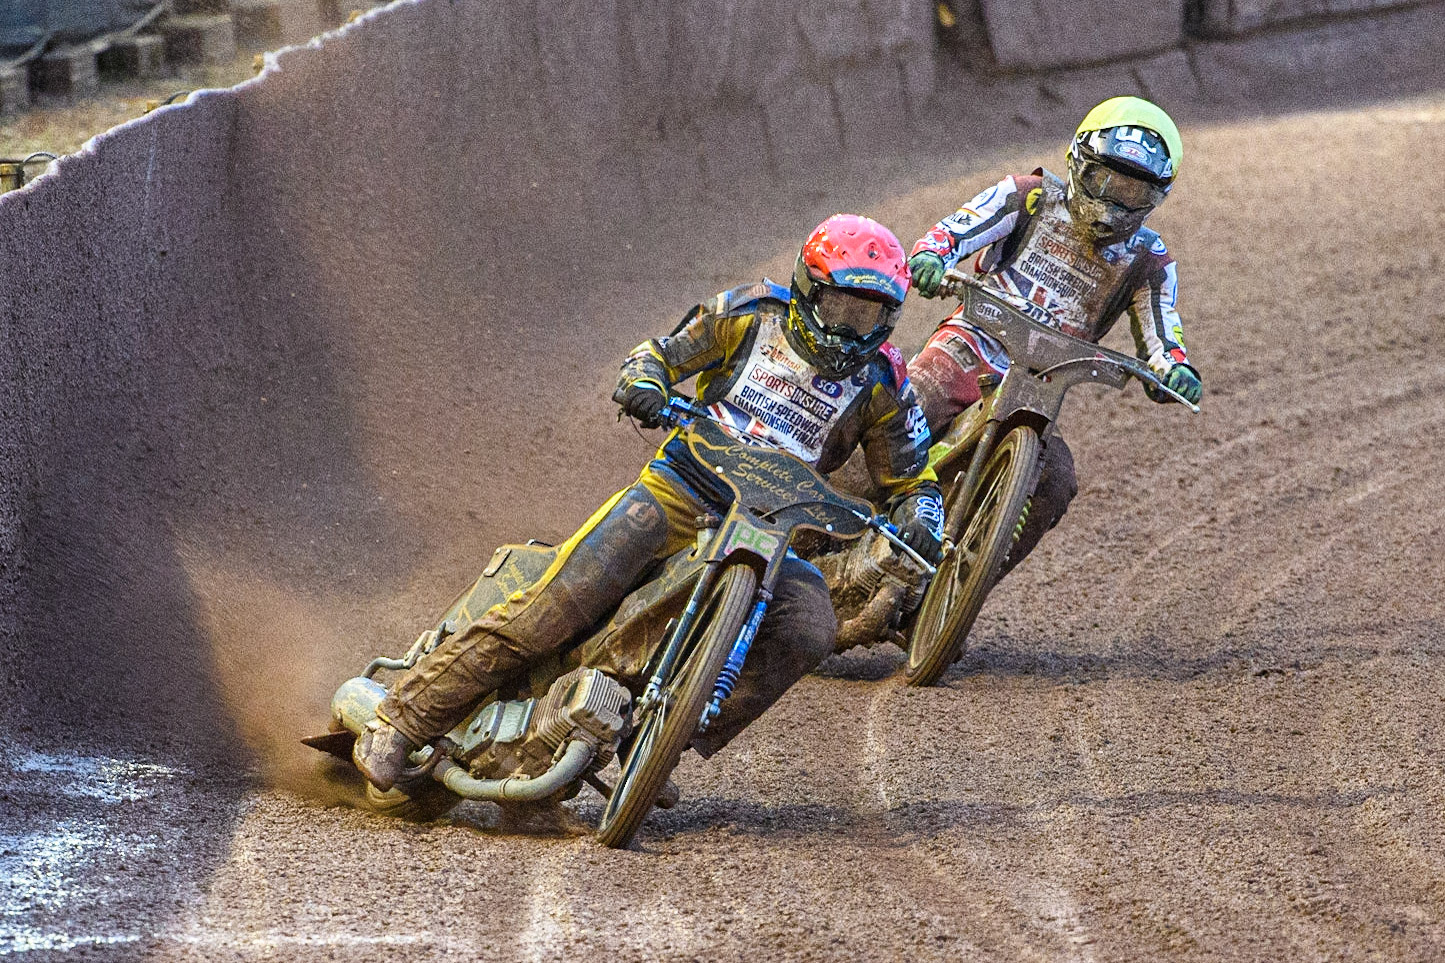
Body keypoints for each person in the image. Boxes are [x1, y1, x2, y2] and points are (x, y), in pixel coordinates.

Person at [354, 214, 944, 791]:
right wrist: (645, 383)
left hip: (773, 528)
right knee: (559, 603)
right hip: (679, 490)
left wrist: (922, 516)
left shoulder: (885, 383)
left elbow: (915, 479)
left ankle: (661, 735)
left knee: (810, 626)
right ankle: (403, 721)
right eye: (840, 308)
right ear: (807, 288)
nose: (850, 330)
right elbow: (657, 354)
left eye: (869, 316)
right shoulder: (747, 314)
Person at [904, 96, 1202, 574]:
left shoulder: (1149, 261)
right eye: (1103, 180)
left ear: (1155, 197)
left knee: (1055, 480)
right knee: (913, 402)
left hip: (1039, 386)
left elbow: (1163, 332)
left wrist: (1174, 369)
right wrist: (932, 256)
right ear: (1077, 162)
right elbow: (955, 230)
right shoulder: (1030, 196)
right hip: (971, 343)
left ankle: (962, 585)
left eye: (1131, 192)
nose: (1111, 203)